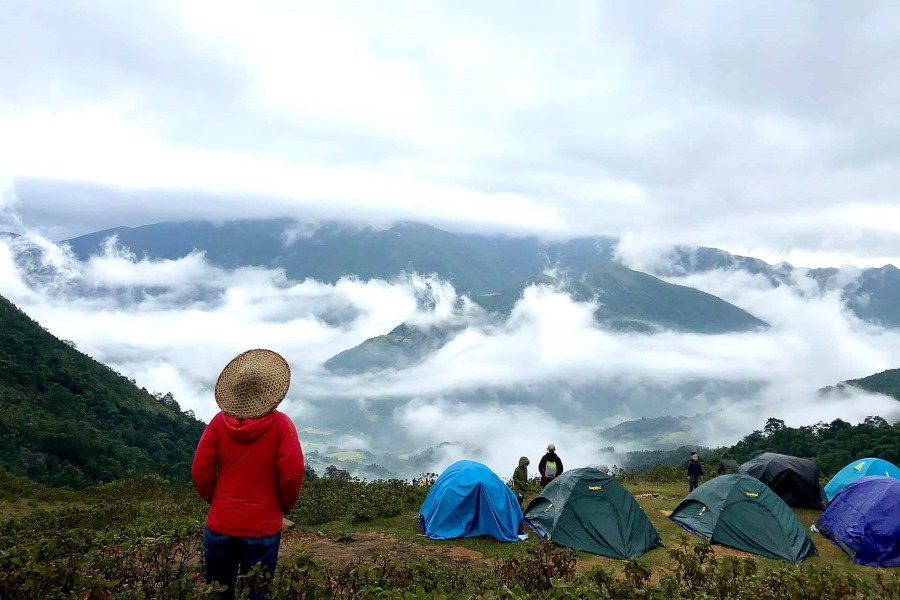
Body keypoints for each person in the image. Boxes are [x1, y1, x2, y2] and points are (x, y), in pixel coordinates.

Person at [192, 349, 305, 600]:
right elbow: (291, 474)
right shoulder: (281, 425)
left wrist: (219, 502)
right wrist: (282, 507)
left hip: (221, 524)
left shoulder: (218, 423)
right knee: (259, 592)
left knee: (218, 592)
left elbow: (201, 470)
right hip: (263, 527)